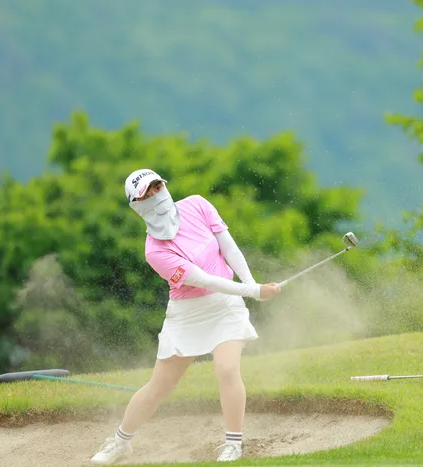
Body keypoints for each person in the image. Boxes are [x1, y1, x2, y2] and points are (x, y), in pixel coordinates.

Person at [90, 168, 281, 464]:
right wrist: (253, 291)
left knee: (227, 369)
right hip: (187, 314)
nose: (156, 195)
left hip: (226, 304)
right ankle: (120, 442)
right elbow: (203, 279)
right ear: (137, 205)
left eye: (157, 187)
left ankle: (233, 444)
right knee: (160, 386)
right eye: (147, 194)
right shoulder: (155, 251)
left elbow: (229, 247)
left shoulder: (197, 204)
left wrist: (251, 283)